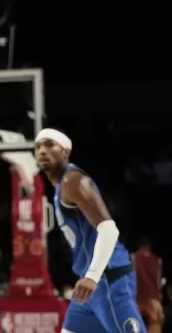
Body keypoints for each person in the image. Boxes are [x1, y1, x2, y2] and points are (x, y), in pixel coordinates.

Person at [36, 128, 147, 333]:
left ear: (66, 151)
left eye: (50, 145)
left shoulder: (74, 180)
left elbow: (109, 230)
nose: (42, 150)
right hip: (89, 284)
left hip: (107, 278)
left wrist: (92, 276)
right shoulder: (61, 186)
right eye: (38, 146)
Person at [132, 237, 164, 333]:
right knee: (155, 323)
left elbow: (131, 278)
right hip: (153, 298)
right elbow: (158, 282)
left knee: (132, 326)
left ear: (139, 246)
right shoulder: (157, 260)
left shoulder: (134, 257)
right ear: (149, 246)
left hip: (137, 299)